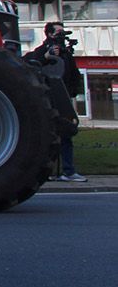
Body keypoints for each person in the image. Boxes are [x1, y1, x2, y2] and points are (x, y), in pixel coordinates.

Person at [26, 21, 87, 182]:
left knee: (66, 134)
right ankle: (47, 171)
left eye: (62, 32)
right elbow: (28, 63)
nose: (60, 36)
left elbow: (74, 76)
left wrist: (72, 95)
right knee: (48, 136)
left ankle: (68, 170)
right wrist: (46, 57)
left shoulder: (66, 55)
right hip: (48, 100)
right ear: (50, 34)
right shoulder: (41, 51)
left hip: (63, 99)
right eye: (58, 32)